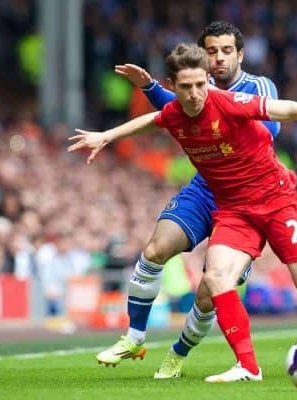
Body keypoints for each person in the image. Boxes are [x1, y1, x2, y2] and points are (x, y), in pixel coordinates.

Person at [69, 43, 297, 382]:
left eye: (201, 84)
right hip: (234, 210)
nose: (196, 94)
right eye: (186, 87)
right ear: (173, 87)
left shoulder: (228, 102)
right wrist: (106, 136)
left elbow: (292, 109)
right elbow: (152, 120)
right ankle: (248, 366)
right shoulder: (174, 113)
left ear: (208, 80)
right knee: (215, 278)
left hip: (277, 200)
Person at [94, 21, 282, 380]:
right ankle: (134, 337)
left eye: (227, 50)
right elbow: (173, 111)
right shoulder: (197, 88)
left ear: (240, 54)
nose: (219, 58)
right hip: (206, 188)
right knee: (154, 251)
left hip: (246, 196)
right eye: (211, 51)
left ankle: (178, 354)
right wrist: (151, 88)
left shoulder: (258, 87)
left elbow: (269, 129)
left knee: (211, 289)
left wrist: (218, 110)